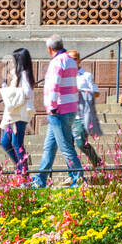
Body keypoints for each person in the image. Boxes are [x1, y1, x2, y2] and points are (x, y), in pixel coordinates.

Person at [31, 35, 84, 187]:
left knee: (66, 147)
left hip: (58, 110)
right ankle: (40, 180)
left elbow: (54, 85)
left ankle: (78, 178)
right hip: (70, 108)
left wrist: (52, 106)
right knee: (49, 147)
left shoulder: (57, 62)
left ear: (49, 49)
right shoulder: (70, 61)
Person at [0, 47, 35, 175]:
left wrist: (9, 92)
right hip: (13, 115)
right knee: (5, 143)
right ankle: (21, 169)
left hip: (19, 115)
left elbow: (27, 93)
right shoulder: (17, 75)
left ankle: (23, 173)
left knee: (16, 143)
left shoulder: (24, 75)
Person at [68, 50, 102, 168]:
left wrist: (81, 93)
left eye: (74, 59)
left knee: (81, 143)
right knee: (68, 147)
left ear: (79, 60)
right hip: (66, 116)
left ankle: (97, 162)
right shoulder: (64, 77)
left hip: (81, 116)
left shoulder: (86, 76)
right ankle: (73, 174)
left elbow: (96, 93)